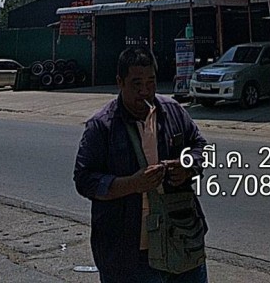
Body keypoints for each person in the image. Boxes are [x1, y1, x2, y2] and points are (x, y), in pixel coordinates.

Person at [74, 46, 209, 283]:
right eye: (136, 84)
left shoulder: (173, 112)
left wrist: (188, 166)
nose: (145, 92)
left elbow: (200, 146)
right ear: (120, 82)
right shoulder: (101, 126)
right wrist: (132, 184)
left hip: (182, 242)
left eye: (151, 83)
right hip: (128, 255)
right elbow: (84, 180)